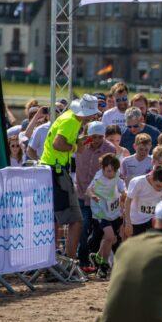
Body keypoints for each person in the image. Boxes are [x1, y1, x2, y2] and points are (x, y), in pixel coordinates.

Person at [40, 94, 101, 265]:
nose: (94, 117)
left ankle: (54, 262)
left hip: (52, 170)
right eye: (93, 113)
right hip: (57, 172)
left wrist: (77, 142)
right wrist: (75, 146)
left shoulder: (68, 118)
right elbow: (58, 144)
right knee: (76, 220)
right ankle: (68, 263)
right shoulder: (72, 121)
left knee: (55, 219)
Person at [75, 121, 118, 268]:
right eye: (94, 137)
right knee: (82, 225)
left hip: (100, 199)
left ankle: (94, 259)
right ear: (88, 135)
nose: (97, 140)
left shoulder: (110, 149)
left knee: (97, 231)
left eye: (100, 137)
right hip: (81, 193)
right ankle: (83, 260)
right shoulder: (81, 145)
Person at [86, 153, 126, 279]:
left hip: (113, 211)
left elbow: (121, 187)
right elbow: (88, 190)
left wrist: (124, 193)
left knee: (111, 239)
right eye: (108, 171)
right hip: (100, 211)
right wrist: (93, 196)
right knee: (109, 236)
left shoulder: (116, 175)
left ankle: (98, 258)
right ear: (102, 168)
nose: (111, 174)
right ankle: (103, 265)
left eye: (114, 171)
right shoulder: (98, 177)